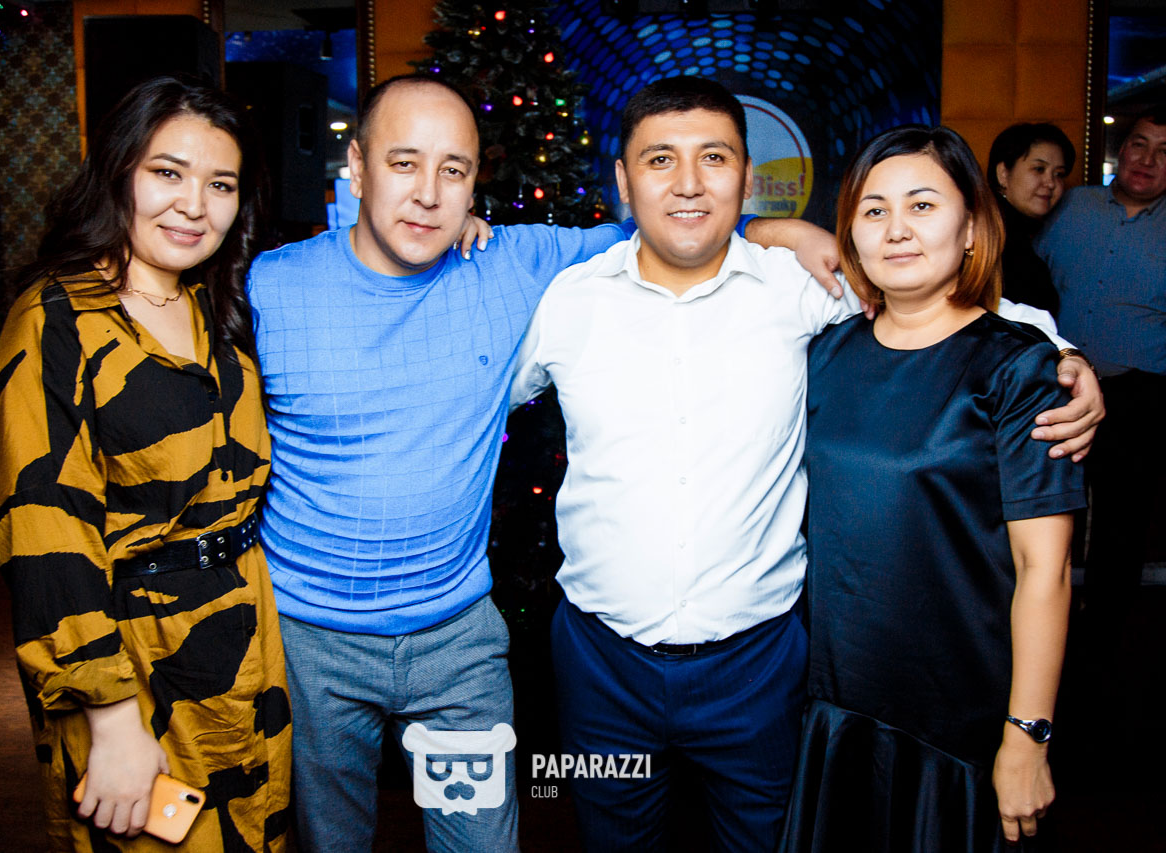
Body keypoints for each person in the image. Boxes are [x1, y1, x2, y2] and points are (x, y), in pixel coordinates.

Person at [244, 73, 841, 853]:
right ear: (357, 165)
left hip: (463, 644)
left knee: (482, 842)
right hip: (313, 639)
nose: (428, 193)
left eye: (453, 170)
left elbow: (678, 222)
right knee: (326, 842)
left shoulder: (518, 267)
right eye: (404, 163)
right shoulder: (270, 285)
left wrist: (774, 227)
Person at [510, 79, 1099, 852]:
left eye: (714, 158)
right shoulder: (567, 300)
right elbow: (476, 389)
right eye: (659, 160)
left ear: (746, 178)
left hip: (760, 668)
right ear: (623, 180)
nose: (688, 183)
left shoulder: (800, 287)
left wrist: (1064, 355)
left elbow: (943, 307)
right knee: (611, 838)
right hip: (599, 664)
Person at [0, 76, 292, 852]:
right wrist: (112, 717)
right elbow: (42, 530)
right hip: (131, 661)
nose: (194, 205)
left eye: (220, 184)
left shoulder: (218, 303)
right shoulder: (58, 319)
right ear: (119, 170)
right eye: (168, 173)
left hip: (247, 643)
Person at [779, 125, 1085, 852]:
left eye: (922, 205)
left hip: (959, 716)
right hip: (839, 704)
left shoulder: (1021, 369)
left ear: (972, 228)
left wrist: (1028, 735)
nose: (897, 229)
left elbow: (1045, 570)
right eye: (874, 210)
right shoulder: (824, 353)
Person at [1034, 104, 1166, 742]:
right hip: (1053, 390)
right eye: (1139, 144)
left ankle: (1098, 672)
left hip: (1141, 396)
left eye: (1165, 152)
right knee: (1050, 523)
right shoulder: (1069, 206)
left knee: (1120, 532)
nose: (1148, 160)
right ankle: (1044, 647)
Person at [987, 122, 1075, 313]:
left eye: (1059, 174)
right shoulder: (987, 234)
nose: (1051, 183)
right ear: (1003, 174)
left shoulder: (1022, 233)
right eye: (1039, 169)